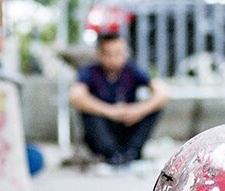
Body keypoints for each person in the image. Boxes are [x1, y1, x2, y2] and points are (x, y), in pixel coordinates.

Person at [69, 32, 169, 166]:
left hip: (127, 125)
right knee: (89, 111)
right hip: (102, 131)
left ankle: (131, 153)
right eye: (110, 54)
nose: (116, 58)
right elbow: (76, 96)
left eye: (120, 53)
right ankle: (110, 154)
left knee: (154, 108)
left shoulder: (132, 70)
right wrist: (110, 111)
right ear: (100, 54)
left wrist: (138, 110)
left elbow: (163, 92)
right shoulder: (90, 72)